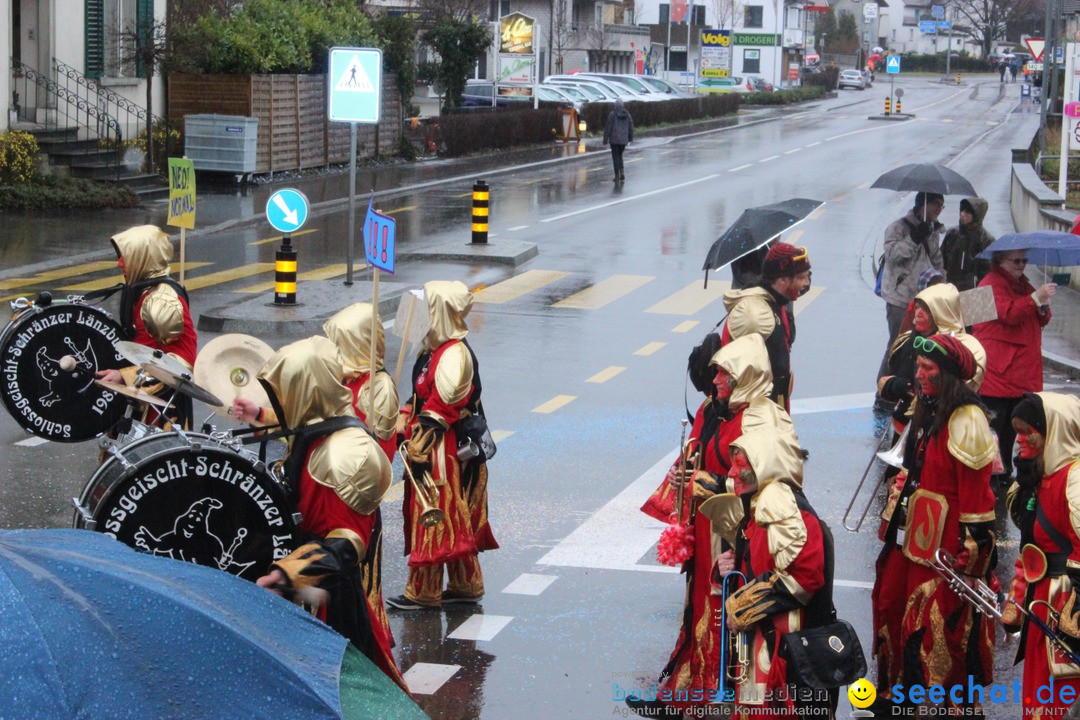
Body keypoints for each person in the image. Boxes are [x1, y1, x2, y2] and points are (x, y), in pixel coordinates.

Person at [629, 334, 800, 718]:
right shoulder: (712, 408)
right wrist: (681, 477)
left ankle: (721, 693)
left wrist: (711, 483)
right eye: (717, 371)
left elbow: (773, 479)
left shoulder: (763, 417)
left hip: (740, 528)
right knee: (698, 606)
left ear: (745, 376)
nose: (716, 379)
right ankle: (687, 688)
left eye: (724, 372)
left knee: (727, 605)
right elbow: (694, 454)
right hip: (706, 524)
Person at [248, 336, 407, 692]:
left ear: (305, 390)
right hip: (307, 590)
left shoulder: (344, 455)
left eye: (285, 391)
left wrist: (293, 573)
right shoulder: (316, 430)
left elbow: (348, 542)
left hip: (330, 600)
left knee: (343, 695)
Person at [871, 333, 996, 713]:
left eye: (928, 369)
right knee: (891, 604)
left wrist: (971, 565)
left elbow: (977, 502)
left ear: (949, 377)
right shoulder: (927, 407)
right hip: (914, 537)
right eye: (919, 367)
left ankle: (945, 704)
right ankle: (898, 694)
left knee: (940, 631)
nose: (919, 374)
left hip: (946, 546)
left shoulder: (967, 419)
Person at [387, 280, 498, 610]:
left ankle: (423, 592)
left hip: (444, 446)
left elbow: (443, 406)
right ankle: (466, 584)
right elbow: (422, 395)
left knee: (435, 512)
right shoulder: (431, 350)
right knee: (453, 514)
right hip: (434, 441)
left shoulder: (454, 354)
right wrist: (404, 412)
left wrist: (418, 441)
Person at [715, 427, 835, 716]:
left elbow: (804, 579)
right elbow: (758, 566)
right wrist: (727, 567)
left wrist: (742, 608)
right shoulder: (760, 504)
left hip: (784, 657)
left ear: (764, 466)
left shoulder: (789, 510)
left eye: (740, 466)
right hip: (760, 650)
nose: (731, 473)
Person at [1000, 393, 1080, 718]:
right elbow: (1030, 549)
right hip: (1040, 609)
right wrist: (1015, 602)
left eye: (1027, 431)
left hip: (1065, 612)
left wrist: (1073, 619)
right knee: (1036, 701)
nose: (1018, 439)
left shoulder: (1074, 481)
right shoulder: (1036, 480)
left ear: (1053, 433)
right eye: (1016, 430)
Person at [94, 225, 197, 428]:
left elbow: (180, 363)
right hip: (141, 400)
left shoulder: (161, 301)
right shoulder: (144, 292)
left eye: (126, 256)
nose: (119, 263)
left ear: (143, 257)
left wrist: (126, 376)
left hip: (161, 412)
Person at [972, 249, 1055, 483]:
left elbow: (1038, 317)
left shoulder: (1021, 284)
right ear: (1000, 260)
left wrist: (1042, 306)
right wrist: (1036, 298)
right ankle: (995, 473)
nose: (1022, 265)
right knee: (997, 428)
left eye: (1024, 260)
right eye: (1016, 261)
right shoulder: (989, 284)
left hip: (1016, 369)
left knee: (1011, 428)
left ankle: (1004, 470)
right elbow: (1009, 314)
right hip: (1000, 370)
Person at [878, 283, 987, 426]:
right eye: (917, 307)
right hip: (905, 428)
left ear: (942, 311)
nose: (918, 313)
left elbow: (963, 390)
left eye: (926, 309)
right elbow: (884, 380)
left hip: (945, 426)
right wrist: (893, 385)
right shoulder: (905, 342)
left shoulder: (966, 348)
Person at [721, 242, 812, 411]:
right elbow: (741, 383)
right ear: (782, 280)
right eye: (801, 278)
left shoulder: (777, 304)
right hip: (755, 420)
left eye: (808, 276)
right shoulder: (755, 316)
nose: (807, 283)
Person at [877, 192, 945, 382]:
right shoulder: (898, 228)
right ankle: (885, 386)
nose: (938, 209)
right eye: (935, 204)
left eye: (941, 205)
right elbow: (893, 255)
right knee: (897, 344)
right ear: (922, 205)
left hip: (923, 299)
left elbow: (937, 260)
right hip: (900, 297)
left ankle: (909, 387)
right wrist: (914, 238)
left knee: (919, 346)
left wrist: (943, 285)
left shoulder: (933, 229)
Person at [940, 197, 994, 291]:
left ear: (977, 215)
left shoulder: (986, 240)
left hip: (974, 291)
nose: (962, 214)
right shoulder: (952, 234)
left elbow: (988, 271)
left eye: (968, 212)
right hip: (950, 287)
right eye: (962, 210)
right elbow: (941, 260)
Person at [603, 99, 633, 183]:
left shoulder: (612, 115)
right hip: (623, 140)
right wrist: (630, 138)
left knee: (615, 157)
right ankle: (622, 172)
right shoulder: (627, 115)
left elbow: (608, 127)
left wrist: (605, 139)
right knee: (620, 156)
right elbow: (631, 127)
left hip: (614, 140)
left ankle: (617, 175)